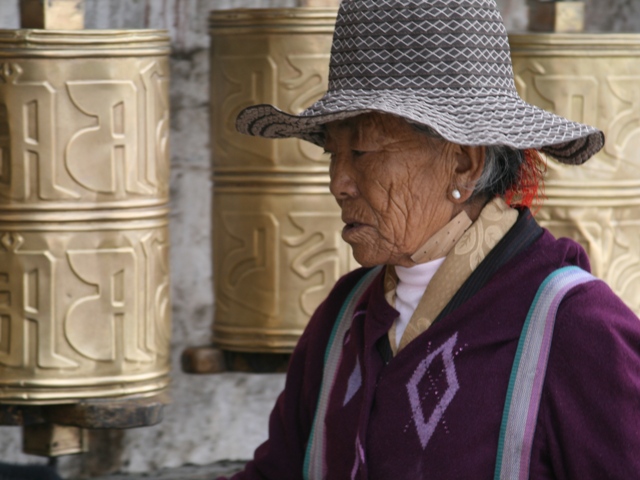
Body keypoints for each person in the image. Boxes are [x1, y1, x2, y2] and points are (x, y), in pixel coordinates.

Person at [222, 0, 640, 478]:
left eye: (362, 151)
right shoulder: (343, 319)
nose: (339, 181)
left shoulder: (578, 329)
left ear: (463, 163)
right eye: (332, 154)